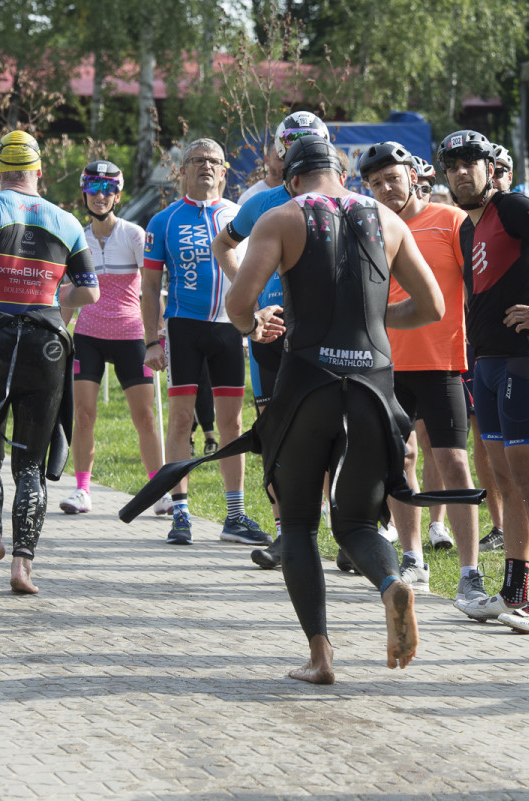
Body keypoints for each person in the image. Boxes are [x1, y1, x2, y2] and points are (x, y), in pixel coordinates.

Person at [224, 134, 447, 684]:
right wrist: (375, 323)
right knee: (353, 523)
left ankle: (321, 657)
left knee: (298, 522)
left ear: (293, 179)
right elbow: (433, 306)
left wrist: (257, 323)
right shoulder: (388, 221)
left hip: (306, 387)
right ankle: (392, 583)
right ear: (342, 177)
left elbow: (237, 303)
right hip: (373, 386)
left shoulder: (282, 217)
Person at [0, 130, 100, 594]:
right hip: (46, 343)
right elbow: (89, 291)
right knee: (30, 463)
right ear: (39, 172)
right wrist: (49, 294)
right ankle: (23, 567)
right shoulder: (67, 220)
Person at [442, 129, 529, 633]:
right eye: (452, 164)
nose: (461, 171)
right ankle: (515, 591)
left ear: (489, 167)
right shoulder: (465, 228)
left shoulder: (515, 207)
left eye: (470, 163)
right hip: (486, 361)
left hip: (525, 359)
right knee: (502, 479)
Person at [356, 141, 486, 606]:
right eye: (375, 183)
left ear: (414, 176)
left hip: (443, 362)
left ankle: (470, 571)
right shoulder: (368, 227)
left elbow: (477, 286)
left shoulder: (449, 221)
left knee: (453, 462)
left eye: (393, 178)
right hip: (385, 364)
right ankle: (412, 558)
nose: (386, 188)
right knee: (399, 460)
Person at [210, 111, 332, 568]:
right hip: (271, 330)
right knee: (276, 433)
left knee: (332, 432)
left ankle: (346, 526)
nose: (296, 153)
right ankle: (286, 534)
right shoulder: (259, 202)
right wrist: (251, 293)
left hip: (323, 333)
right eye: (290, 146)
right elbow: (224, 244)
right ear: (279, 151)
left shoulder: (343, 202)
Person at [142, 138, 271, 546]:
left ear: (225, 170)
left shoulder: (239, 215)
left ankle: (234, 516)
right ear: (182, 169)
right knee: (181, 420)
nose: (206, 167)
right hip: (183, 328)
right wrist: (151, 341)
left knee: (232, 423)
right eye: (197, 160)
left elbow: (256, 273)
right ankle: (180, 514)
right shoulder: (164, 220)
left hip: (228, 328)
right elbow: (148, 287)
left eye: (214, 161)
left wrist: (254, 320)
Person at [58, 161, 171, 517]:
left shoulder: (134, 235)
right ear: (84, 194)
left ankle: (158, 491)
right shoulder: (75, 236)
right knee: (84, 414)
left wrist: (159, 336)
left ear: (118, 195)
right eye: (94, 189)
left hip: (131, 335)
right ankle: (81, 491)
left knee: (145, 418)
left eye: (108, 189)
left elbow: (152, 289)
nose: (101, 196)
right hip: (88, 335)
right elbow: (66, 292)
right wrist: (58, 337)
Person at [237, 138, 283, 206]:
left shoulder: (300, 193)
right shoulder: (250, 199)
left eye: (289, 158)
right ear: (267, 160)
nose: (286, 164)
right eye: (280, 159)